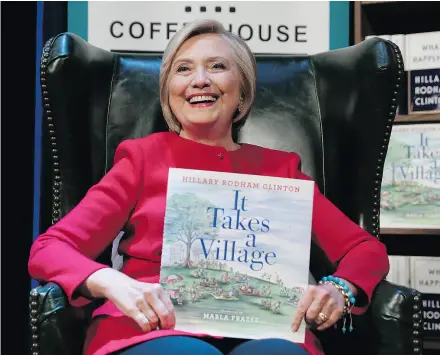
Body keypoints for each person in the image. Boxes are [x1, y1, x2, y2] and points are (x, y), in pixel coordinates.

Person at [28, 19, 390, 355]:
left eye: (217, 66)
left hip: (266, 327)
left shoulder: (281, 170)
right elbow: (49, 248)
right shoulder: (141, 160)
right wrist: (108, 281)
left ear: (243, 88)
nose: (199, 80)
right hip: (155, 329)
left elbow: (365, 250)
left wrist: (339, 289)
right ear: (169, 90)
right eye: (183, 69)